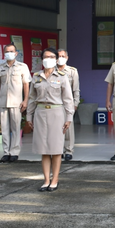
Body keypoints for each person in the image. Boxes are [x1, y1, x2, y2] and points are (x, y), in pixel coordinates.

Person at [26, 47, 74, 192]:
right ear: (42, 60)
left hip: (57, 113)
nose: (49, 60)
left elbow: (68, 99)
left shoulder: (61, 76)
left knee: (56, 149)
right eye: (46, 57)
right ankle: (46, 180)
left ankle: (55, 179)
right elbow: (32, 98)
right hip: (40, 113)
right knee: (44, 149)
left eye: (52, 57)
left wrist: (69, 117)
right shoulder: (36, 77)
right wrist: (29, 115)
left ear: (56, 59)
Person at [0, 43, 31, 163]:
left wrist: (25, 100)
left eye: (11, 51)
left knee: (15, 128)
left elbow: (26, 84)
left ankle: (14, 152)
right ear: (4, 54)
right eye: (7, 51)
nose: (9, 53)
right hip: (3, 102)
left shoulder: (22, 66)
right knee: (4, 128)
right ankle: (6, 152)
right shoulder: (0, 68)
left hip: (16, 102)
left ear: (16, 53)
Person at [57, 49, 80, 162]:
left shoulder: (72, 71)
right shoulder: (51, 70)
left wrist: (75, 103)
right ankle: (58, 150)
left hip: (68, 103)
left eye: (63, 56)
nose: (60, 58)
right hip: (55, 103)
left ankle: (69, 151)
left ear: (67, 57)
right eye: (58, 56)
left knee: (68, 128)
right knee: (57, 128)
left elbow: (76, 89)